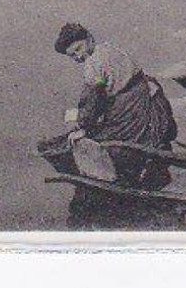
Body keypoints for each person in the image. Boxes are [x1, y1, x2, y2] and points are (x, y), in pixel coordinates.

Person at [54, 23, 177, 186]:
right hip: (145, 92)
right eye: (72, 55)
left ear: (89, 38)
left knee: (103, 136)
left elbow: (93, 100)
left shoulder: (93, 65)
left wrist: (82, 127)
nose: (78, 56)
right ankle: (149, 163)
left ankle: (126, 170)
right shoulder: (108, 48)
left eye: (78, 49)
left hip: (131, 104)